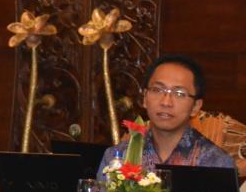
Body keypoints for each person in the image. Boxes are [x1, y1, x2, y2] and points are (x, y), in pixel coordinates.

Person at [97, 54, 235, 177]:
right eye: (157, 90)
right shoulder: (117, 157)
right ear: (144, 98)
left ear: (195, 107)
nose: (166, 102)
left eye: (179, 93)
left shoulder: (216, 163)